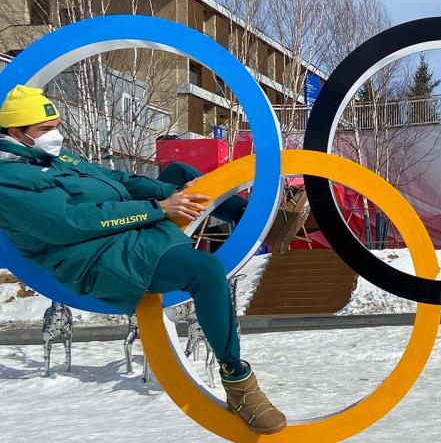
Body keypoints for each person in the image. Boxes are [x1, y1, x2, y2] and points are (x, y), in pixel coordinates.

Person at [0, 85, 286, 434]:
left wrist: (170, 193)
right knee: (206, 270)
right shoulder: (9, 180)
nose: (55, 135)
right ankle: (238, 382)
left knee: (180, 174)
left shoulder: (56, 158)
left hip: (123, 230)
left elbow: (116, 179)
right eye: (45, 129)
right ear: (16, 133)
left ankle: (267, 223)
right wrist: (157, 209)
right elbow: (70, 222)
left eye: (56, 125)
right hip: (91, 255)